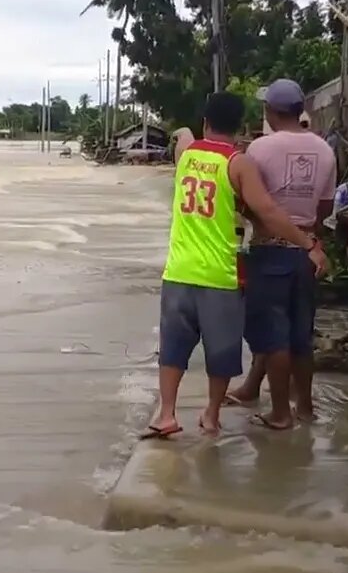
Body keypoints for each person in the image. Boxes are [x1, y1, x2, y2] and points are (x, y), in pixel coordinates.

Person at [143, 93, 326, 439]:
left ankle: (167, 414)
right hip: (219, 275)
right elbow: (269, 213)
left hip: (178, 271)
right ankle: (211, 416)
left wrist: (189, 132)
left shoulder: (185, 155)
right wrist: (309, 244)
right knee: (222, 350)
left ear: (205, 123)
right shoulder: (238, 164)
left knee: (174, 347)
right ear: (241, 126)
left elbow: (181, 136)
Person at [225, 79, 337, 430]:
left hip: (269, 251)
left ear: (271, 111)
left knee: (273, 334)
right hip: (307, 252)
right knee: (301, 334)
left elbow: (250, 203)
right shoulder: (325, 150)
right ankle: (304, 406)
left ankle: (280, 413)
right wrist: (307, 237)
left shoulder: (260, 149)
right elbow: (326, 206)